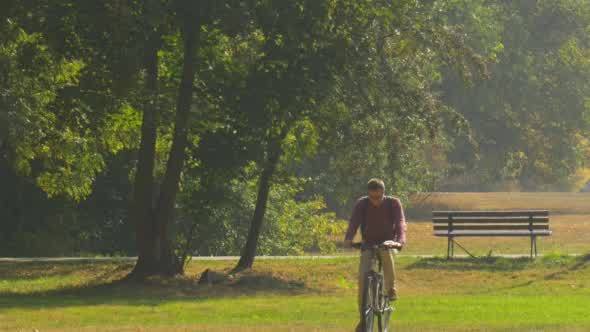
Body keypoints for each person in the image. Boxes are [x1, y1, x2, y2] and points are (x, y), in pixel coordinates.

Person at [343, 178, 407, 331]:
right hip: (368, 244)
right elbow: (354, 222)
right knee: (362, 281)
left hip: (388, 243)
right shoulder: (362, 204)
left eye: (377, 197)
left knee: (385, 251)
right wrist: (348, 238)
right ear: (368, 194)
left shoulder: (393, 203)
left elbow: (400, 223)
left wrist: (399, 242)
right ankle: (363, 320)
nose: (375, 201)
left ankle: (391, 288)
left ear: (383, 193)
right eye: (371, 197)